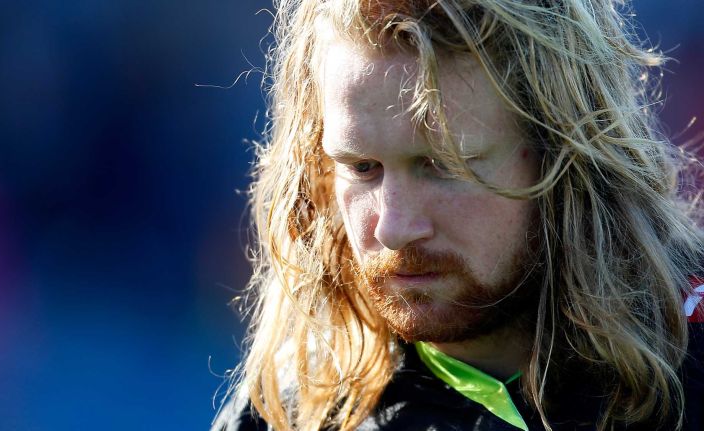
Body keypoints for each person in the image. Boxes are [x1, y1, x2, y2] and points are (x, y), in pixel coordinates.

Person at [212, 0, 704, 429]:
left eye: (443, 165)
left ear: (564, 152)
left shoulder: (692, 367)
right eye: (363, 168)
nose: (394, 227)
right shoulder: (290, 416)